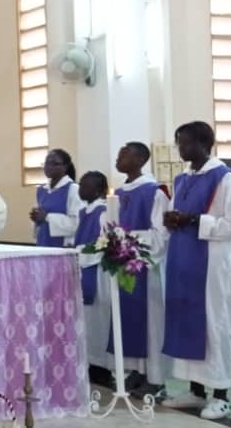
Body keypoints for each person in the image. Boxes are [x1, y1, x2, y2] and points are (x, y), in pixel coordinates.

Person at [159, 122, 231, 420]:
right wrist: (170, 220)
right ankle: (195, 391)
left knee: (215, 326)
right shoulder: (182, 179)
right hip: (185, 261)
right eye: (178, 142)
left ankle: (221, 395)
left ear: (202, 142)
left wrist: (194, 220)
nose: (180, 148)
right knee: (187, 324)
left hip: (214, 267)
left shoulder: (226, 179)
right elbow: (176, 214)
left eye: (183, 142)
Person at [112, 142, 171, 400]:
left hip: (148, 268)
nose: (118, 157)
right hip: (124, 264)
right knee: (129, 320)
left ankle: (156, 380)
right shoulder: (120, 192)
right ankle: (136, 370)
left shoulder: (154, 192)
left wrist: (126, 240)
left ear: (140, 159)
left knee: (151, 323)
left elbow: (161, 235)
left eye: (123, 154)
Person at [74, 171, 112, 388]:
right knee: (86, 322)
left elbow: (103, 244)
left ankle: (102, 369)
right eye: (80, 184)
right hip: (81, 270)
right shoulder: (83, 211)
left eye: (85, 186)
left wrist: (77, 253)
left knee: (98, 322)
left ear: (98, 190)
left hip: (97, 274)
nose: (81, 189)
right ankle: (88, 363)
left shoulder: (103, 211)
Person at [30, 149, 82, 247]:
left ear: (65, 167)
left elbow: (76, 223)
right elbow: (39, 221)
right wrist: (36, 218)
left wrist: (47, 217)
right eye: (46, 163)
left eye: (54, 163)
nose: (48, 166)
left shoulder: (72, 189)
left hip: (63, 245)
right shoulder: (42, 190)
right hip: (43, 242)